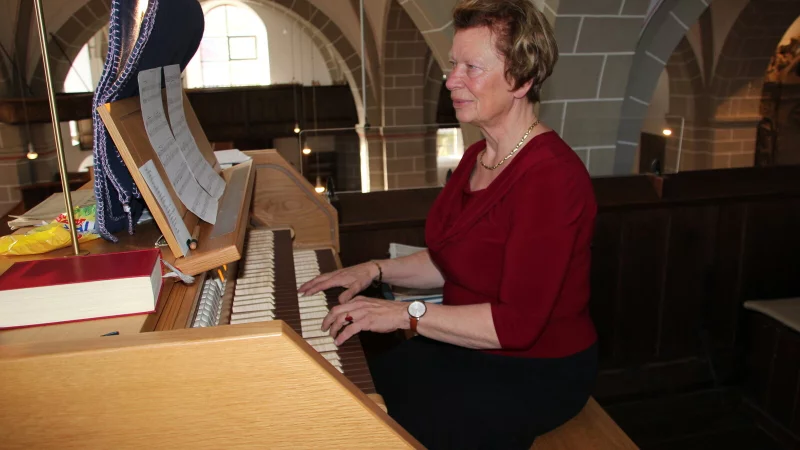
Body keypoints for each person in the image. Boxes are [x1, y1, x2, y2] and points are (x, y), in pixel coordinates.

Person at [298, 0, 598, 447]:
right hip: (464, 347)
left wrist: (404, 313)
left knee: (370, 429)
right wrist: (373, 270)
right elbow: (452, 261)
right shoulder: (479, 156)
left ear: (522, 79)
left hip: (533, 369)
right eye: (453, 64)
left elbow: (517, 326)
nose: (452, 79)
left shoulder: (551, 178)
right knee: (341, 394)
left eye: (471, 68)